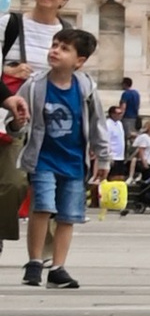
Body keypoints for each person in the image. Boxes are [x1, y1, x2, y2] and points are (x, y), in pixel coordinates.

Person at [20, 26, 95, 288]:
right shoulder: (34, 85)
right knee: (42, 206)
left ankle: (58, 267)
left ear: (79, 61)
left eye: (64, 48)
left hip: (74, 161)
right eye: (54, 45)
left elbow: (98, 123)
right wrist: (16, 122)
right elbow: (15, 116)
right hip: (43, 158)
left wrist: (105, 158)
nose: (55, 51)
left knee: (68, 215)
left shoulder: (85, 88)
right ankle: (34, 261)